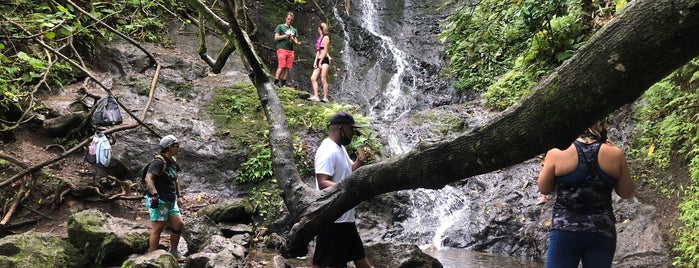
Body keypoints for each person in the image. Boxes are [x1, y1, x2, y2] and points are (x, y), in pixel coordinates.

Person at [537, 121, 636, 268]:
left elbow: (544, 188)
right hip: (601, 230)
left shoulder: (556, 153)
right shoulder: (615, 154)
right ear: (602, 126)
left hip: (565, 230)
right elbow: (627, 192)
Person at [311, 111, 372, 268]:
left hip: (345, 217)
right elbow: (323, 182)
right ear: (340, 128)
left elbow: (348, 171)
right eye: (351, 129)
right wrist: (351, 187)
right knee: (326, 263)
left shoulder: (340, 148)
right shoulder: (327, 150)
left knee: (360, 258)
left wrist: (359, 161)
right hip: (332, 218)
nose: (353, 133)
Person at [144, 135, 186, 262]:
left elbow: (175, 179)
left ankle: (174, 252)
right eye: (176, 146)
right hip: (160, 200)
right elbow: (148, 178)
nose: (178, 148)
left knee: (178, 224)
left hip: (171, 199)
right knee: (158, 228)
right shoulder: (158, 162)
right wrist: (155, 195)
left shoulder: (172, 161)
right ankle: (153, 257)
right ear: (169, 147)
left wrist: (179, 196)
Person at [274, 11, 301, 88]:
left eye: (291, 20)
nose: (290, 21)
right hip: (282, 49)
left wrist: (295, 40)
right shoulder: (280, 27)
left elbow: (296, 41)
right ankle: (276, 82)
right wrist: (285, 36)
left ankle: (283, 83)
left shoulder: (294, 30)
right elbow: (276, 38)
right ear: (286, 18)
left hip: (291, 50)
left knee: (287, 67)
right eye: (288, 19)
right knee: (281, 66)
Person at [309, 23, 331, 102]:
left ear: (320, 29)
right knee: (313, 78)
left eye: (319, 28)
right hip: (319, 59)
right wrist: (315, 62)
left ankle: (325, 98)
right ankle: (316, 96)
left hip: (324, 60)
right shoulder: (320, 38)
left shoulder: (326, 38)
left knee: (323, 78)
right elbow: (318, 52)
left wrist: (320, 62)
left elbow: (325, 51)